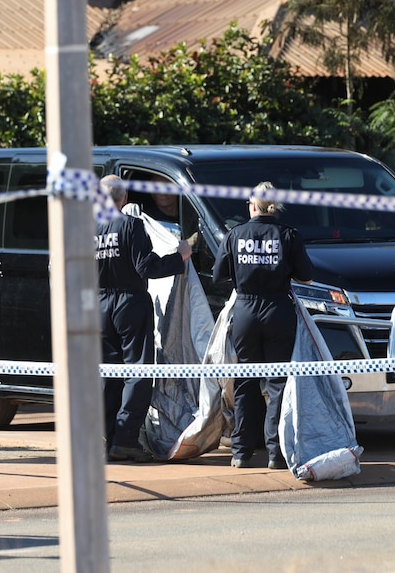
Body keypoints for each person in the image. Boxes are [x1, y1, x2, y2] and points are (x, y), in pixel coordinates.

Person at [212, 182, 313, 469]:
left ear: (253, 206)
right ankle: (275, 453)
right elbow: (307, 276)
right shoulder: (288, 235)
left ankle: (241, 452)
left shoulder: (235, 234)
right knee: (278, 383)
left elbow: (218, 275)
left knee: (245, 380)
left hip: (245, 310)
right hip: (278, 310)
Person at [96, 174, 192, 462]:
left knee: (108, 374)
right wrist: (180, 256)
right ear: (124, 199)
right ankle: (125, 439)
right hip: (130, 303)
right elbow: (146, 267)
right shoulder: (130, 225)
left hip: (98, 305)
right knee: (137, 371)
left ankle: (106, 437)